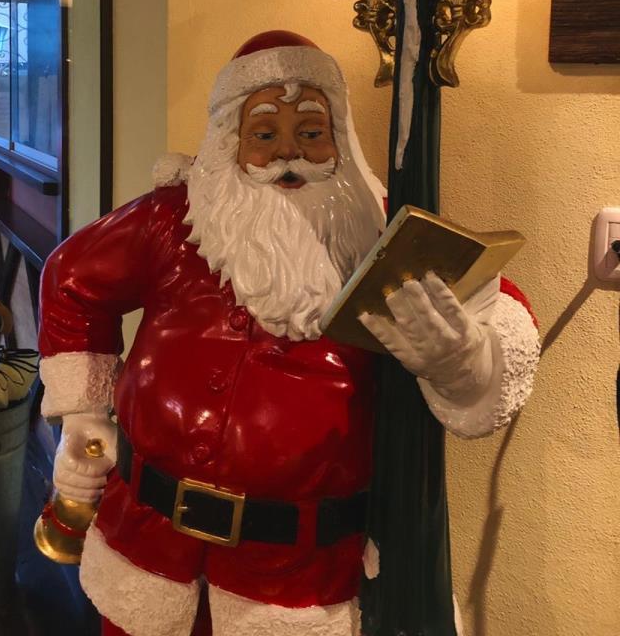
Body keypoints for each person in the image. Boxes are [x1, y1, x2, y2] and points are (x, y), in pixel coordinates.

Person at [38, 31, 539, 636]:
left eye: (310, 131)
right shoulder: (173, 220)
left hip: (299, 578)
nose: (288, 155)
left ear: (338, 138)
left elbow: (497, 314)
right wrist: (83, 417)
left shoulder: (382, 236)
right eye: (264, 134)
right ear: (230, 140)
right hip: (148, 545)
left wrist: (462, 361)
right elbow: (72, 279)